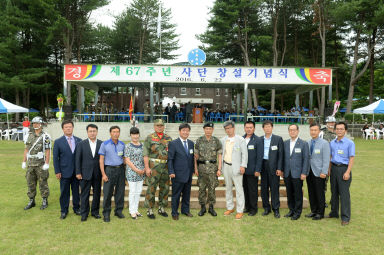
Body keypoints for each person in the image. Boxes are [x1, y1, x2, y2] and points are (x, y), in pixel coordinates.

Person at [326, 122, 355, 226]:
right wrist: (329, 169)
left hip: (344, 169)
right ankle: (334, 212)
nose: (339, 130)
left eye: (341, 129)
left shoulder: (350, 143)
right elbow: (330, 157)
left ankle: (345, 217)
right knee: (334, 192)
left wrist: (347, 172)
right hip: (334, 168)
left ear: (345, 130)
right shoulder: (332, 143)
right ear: (334, 130)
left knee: (344, 194)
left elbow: (351, 158)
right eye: (337, 129)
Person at [143, 119, 172, 219]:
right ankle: (150, 209)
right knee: (151, 188)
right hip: (153, 167)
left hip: (166, 167)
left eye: (161, 126)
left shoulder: (168, 138)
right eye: (157, 126)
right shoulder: (149, 138)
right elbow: (145, 154)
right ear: (154, 127)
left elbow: (171, 154)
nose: (159, 127)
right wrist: (147, 168)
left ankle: (161, 207)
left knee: (165, 188)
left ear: (164, 127)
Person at [53, 120, 82, 219]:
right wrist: (57, 171)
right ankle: (64, 211)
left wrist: (80, 170)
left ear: (73, 128)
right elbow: (55, 158)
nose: (68, 128)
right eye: (66, 127)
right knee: (64, 192)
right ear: (63, 129)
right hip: (64, 172)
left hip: (76, 172)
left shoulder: (79, 140)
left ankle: (76, 208)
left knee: (76, 192)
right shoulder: (58, 142)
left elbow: (81, 157)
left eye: (70, 127)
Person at [22, 116, 51, 210]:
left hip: (40, 164)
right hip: (30, 164)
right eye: (34, 123)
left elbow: (47, 150)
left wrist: (47, 163)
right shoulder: (29, 135)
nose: (35, 125)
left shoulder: (45, 136)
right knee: (30, 183)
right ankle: (31, 200)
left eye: (37, 123)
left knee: (43, 183)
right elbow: (26, 150)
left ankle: (44, 200)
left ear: (41, 124)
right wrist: (24, 161)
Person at [75, 124, 103, 222]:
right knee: (84, 194)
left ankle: (95, 212)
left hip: (97, 173)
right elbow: (77, 159)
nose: (92, 133)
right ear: (87, 132)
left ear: (97, 132)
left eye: (94, 131)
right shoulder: (81, 144)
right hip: (84, 173)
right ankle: (84, 213)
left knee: (97, 194)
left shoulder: (101, 144)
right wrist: (78, 172)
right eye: (90, 131)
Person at [221, 120, 248, 220]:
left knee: (239, 189)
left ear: (234, 128)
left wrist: (243, 166)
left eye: (229, 128)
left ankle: (240, 210)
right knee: (228, 187)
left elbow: (245, 154)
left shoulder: (240, 139)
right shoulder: (223, 140)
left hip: (237, 167)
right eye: (226, 129)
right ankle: (230, 207)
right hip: (226, 166)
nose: (228, 130)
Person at [194, 122, 222, 217]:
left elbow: (219, 155)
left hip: (212, 169)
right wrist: (195, 169)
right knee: (201, 188)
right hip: (201, 168)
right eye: (206, 129)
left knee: (212, 189)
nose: (208, 130)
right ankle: (202, 207)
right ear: (204, 129)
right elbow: (195, 156)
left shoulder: (216, 141)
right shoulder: (199, 141)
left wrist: (219, 169)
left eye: (210, 129)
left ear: (213, 130)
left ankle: (211, 207)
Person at [99, 126, 126, 222]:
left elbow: (124, 158)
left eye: (117, 132)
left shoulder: (122, 145)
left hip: (120, 170)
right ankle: (106, 213)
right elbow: (101, 160)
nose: (116, 133)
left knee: (120, 192)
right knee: (107, 193)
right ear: (110, 133)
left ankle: (118, 211)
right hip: (109, 170)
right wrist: (103, 174)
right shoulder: (104, 144)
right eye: (114, 132)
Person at [168, 123, 195, 220]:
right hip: (177, 174)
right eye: (183, 130)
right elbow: (170, 159)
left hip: (188, 174)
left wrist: (193, 170)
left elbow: (191, 158)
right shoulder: (173, 143)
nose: (185, 132)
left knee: (187, 194)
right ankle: (174, 212)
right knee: (176, 194)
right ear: (179, 131)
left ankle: (185, 210)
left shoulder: (191, 143)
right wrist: (171, 171)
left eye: (187, 130)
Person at [282, 124, 309, 220]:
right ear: (288, 131)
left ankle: (297, 212)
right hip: (287, 173)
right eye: (290, 130)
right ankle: (291, 210)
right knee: (289, 193)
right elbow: (283, 158)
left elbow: (306, 159)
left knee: (297, 194)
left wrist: (304, 173)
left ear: (298, 131)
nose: (292, 132)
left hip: (298, 173)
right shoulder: (285, 143)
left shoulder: (303, 144)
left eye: (294, 130)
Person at [306, 123, 330, 220]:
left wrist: (324, 171)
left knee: (319, 193)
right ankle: (313, 211)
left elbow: (326, 159)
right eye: (311, 130)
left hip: (319, 172)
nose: (313, 132)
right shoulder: (307, 143)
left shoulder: (324, 143)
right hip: (309, 171)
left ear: (319, 131)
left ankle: (320, 213)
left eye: (315, 130)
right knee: (311, 192)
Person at [260, 120, 284, 218]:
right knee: (264, 188)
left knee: (274, 188)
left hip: (274, 167)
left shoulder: (278, 139)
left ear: (272, 127)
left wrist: (279, 168)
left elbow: (281, 155)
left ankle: (276, 209)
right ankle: (266, 208)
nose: (267, 128)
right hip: (263, 166)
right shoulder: (260, 139)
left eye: (269, 126)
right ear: (263, 128)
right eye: (265, 127)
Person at [124, 127, 145, 220]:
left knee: (138, 191)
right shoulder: (128, 146)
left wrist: (144, 169)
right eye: (133, 134)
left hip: (141, 172)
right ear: (130, 135)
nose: (135, 136)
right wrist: (136, 170)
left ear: (139, 135)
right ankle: (131, 211)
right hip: (132, 172)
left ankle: (136, 209)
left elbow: (145, 158)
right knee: (132, 191)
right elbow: (127, 160)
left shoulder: (143, 145)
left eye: (137, 134)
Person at [242, 121, 263, 216]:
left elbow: (259, 156)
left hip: (252, 170)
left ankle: (254, 209)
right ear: (244, 128)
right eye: (247, 127)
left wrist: (258, 170)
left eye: (250, 127)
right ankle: (247, 207)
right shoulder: (241, 139)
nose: (249, 129)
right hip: (242, 171)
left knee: (253, 191)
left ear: (254, 128)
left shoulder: (258, 140)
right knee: (245, 190)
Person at [322, 116, 337, 208]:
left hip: (336, 161)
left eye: (333, 122)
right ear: (326, 123)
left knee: (335, 183)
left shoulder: (338, 132)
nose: (331, 124)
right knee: (324, 182)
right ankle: (322, 200)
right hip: (326, 161)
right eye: (330, 122)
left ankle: (334, 200)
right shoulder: (322, 133)